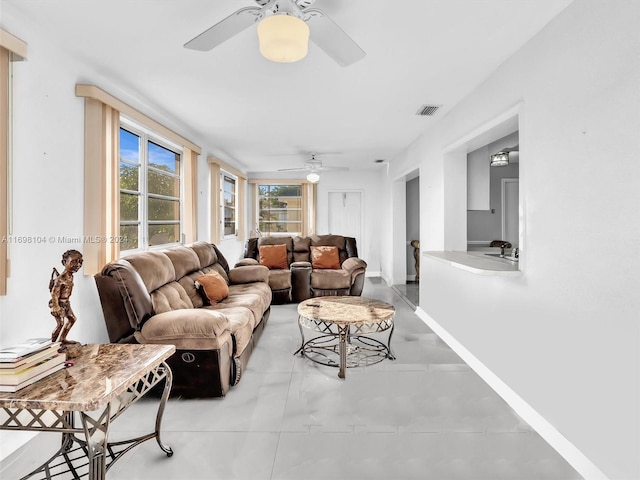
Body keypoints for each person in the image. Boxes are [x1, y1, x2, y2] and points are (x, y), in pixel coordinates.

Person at [49, 249, 83, 344]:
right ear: (64, 262)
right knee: (60, 324)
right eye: (74, 261)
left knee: (72, 319)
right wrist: (56, 307)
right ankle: (53, 343)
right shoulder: (61, 279)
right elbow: (54, 293)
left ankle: (62, 339)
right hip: (58, 304)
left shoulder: (70, 276)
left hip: (66, 303)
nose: (78, 265)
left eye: (80, 262)